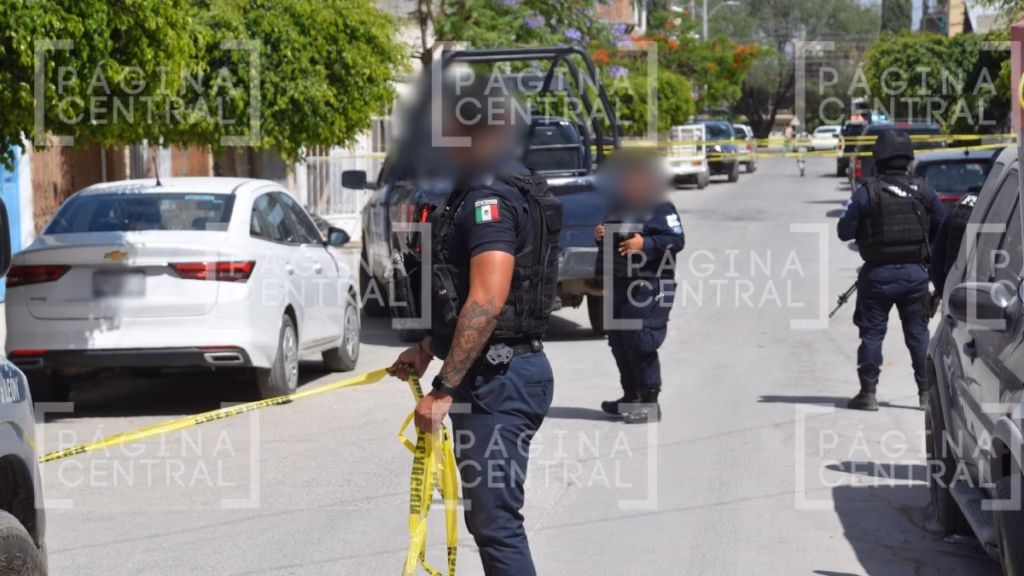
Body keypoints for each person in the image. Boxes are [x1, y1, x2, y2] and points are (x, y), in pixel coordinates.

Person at [388, 76, 560, 576]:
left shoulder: (491, 200)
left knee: (496, 523)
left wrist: (442, 389)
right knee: (487, 522)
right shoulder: (478, 190)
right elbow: (462, 291)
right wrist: (427, 345)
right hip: (489, 375)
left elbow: (487, 298)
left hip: (499, 381)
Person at [837, 130, 945, 411]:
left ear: (879, 159)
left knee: (872, 334)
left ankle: (868, 394)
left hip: (877, 276)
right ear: (908, 158)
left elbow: (843, 231)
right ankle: (925, 396)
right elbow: (941, 230)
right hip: (915, 276)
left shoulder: (866, 192)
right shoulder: (924, 190)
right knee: (918, 333)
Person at [595, 149, 684, 423]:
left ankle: (649, 402)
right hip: (620, 282)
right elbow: (618, 236)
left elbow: (676, 240)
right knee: (619, 342)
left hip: (648, 283)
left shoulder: (659, 205)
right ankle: (631, 397)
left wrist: (644, 244)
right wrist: (601, 234)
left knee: (640, 342)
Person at [930, 192, 979, 299]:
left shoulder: (963, 205)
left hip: (955, 290)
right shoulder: (1003, 206)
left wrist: (943, 292)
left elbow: (938, 255)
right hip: (986, 296)